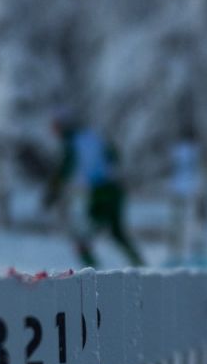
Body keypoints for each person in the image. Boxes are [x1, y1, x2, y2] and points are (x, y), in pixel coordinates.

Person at [44, 112, 144, 267]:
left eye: (56, 128)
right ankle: (140, 266)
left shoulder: (73, 143)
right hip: (115, 189)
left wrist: (52, 192)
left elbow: (65, 169)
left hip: (100, 192)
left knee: (83, 237)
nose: (54, 133)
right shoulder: (93, 136)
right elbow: (115, 155)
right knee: (117, 233)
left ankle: (94, 274)